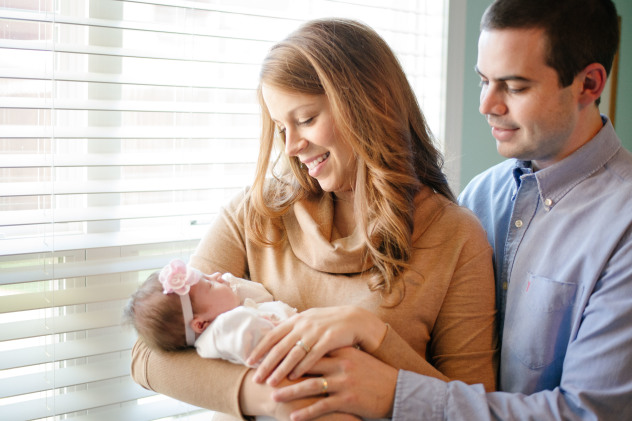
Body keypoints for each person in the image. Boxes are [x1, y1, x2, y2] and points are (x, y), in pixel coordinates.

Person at [263, 1, 632, 420]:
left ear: (589, 84)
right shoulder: (483, 195)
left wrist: (391, 390)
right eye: (484, 81)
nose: (487, 105)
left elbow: (589, 414)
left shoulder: (624, 227)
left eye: (514, 86)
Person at [130, 18, 497, 420]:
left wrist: (374, 335)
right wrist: (274, 397)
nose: (291, 146)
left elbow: (473, 410)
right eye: (280, 126)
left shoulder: (455, 238)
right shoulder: (258, 213)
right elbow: (149, 356)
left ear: (371, 104)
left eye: (305, 119)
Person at [124, 259, 296, 365]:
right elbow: (279, 347)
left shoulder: (227, 319)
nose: (218, 275)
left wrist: (225, 285)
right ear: (200, 323)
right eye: (210, 284)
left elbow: (263, 295)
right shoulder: (226, 329)